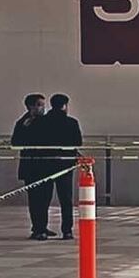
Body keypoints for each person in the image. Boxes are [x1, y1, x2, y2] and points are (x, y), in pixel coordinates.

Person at [30, 93, 83, 241]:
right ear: (65, 106)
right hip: (65, 164)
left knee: (43, 199)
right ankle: (67, 231)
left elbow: (36, 141)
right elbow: (77, 142)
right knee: (66, 199)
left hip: (44, 164)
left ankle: (41, 230)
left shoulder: (40, 122)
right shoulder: (71, 122)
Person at [12, 93, 49, 239]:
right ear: (30, 106)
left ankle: (43, 226)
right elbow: (15, 142)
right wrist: (25, 129)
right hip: (32, 168)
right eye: (39, 105)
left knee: (45, 198)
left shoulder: (46, 121)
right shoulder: (23, 123)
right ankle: (37, 229)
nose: (42, 108)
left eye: (43, 105)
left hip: (46, 167)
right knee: (35, 199)